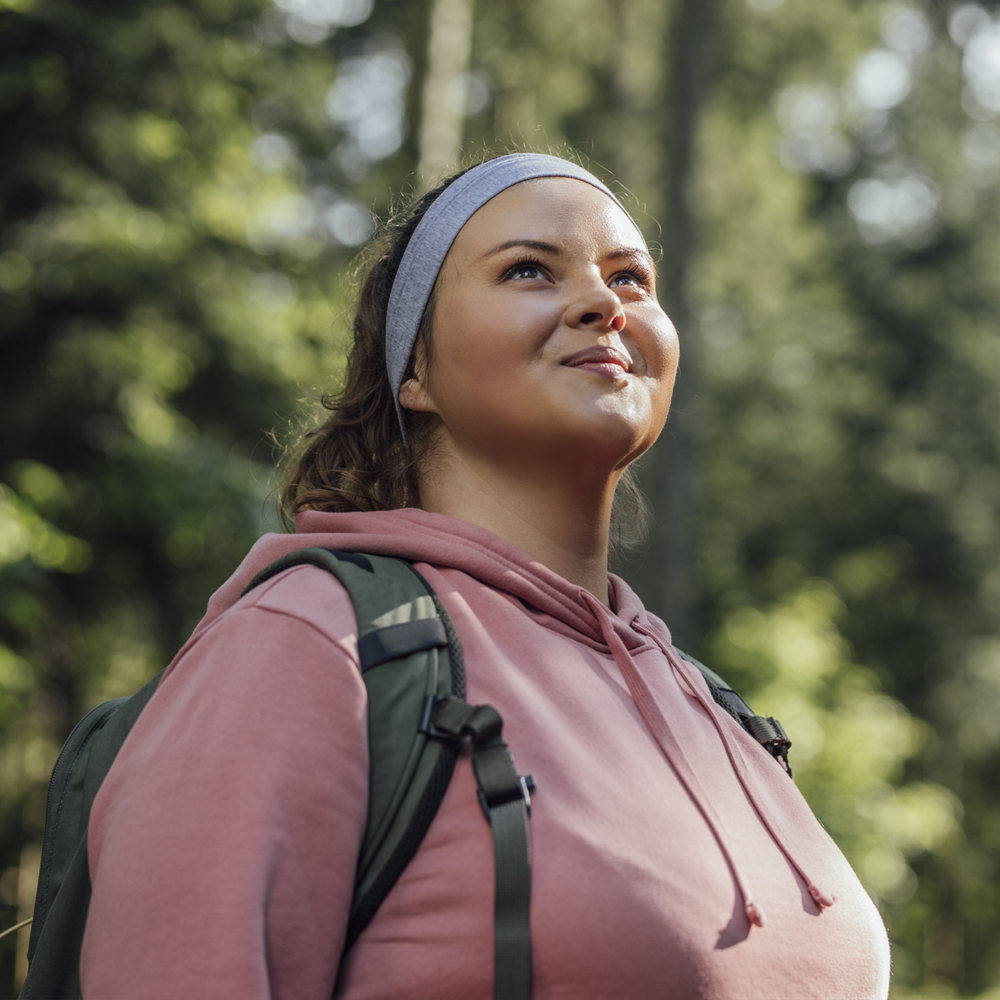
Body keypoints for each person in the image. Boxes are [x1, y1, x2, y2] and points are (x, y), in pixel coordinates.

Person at [80, 153, 891, 999]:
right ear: (414, 372)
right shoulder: (314, 647)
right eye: (529, 269)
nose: (602, 303)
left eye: (631, 278)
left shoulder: (713, 707)